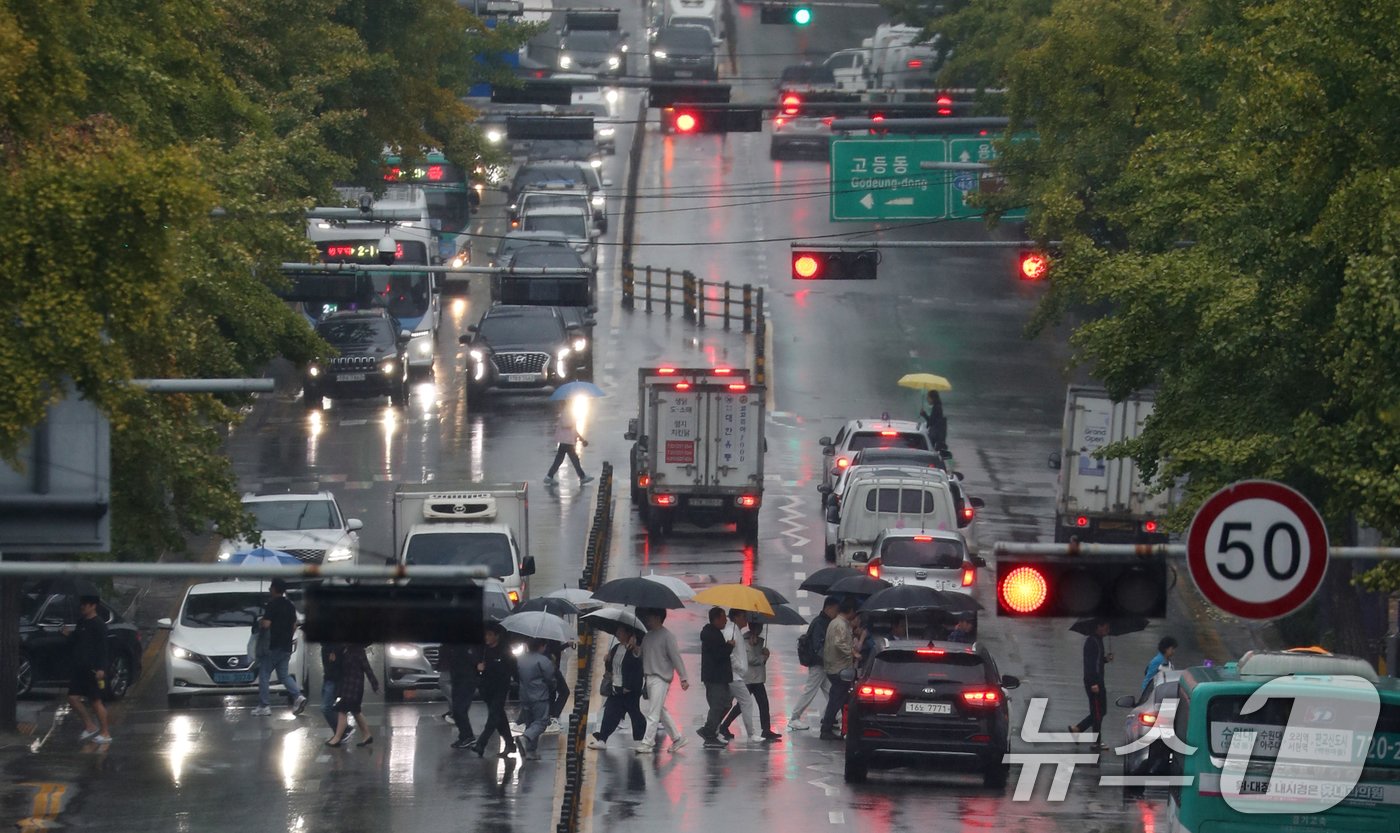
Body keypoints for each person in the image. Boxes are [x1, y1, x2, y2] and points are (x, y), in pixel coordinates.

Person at [636, 608, 689, 754]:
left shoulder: (667, 636)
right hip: (649, 678)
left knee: (653, 712)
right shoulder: (648, 636)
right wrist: (634, 647)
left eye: (650, 616)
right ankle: (677, 738)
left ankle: (647, 742)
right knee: (659, 711)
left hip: (661, 678)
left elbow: (676, 657)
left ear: (658, 617)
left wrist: (683, 677)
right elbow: (641, 655)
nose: (647, 620)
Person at [720, 620, 781, 742]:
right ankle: (724, 726)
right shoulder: (745, 640)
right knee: (742, 705)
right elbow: (750, 659)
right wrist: (764, 656)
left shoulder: (759, 640)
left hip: (757, 678)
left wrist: (763, 654)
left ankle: (766, 729)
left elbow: (759, 662)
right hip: (749, 678)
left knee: (763, 704)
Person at [254, 578, 307, 717]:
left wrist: (260, 621)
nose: (269, 590)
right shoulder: (290, 605)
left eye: (271, 587)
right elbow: (294, 625)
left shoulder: (272, 605)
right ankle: (298, 696)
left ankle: (264, 705)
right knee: (283, 675)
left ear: (275, 589)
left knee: (264, 674)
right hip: (286, 646)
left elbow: (266, 624)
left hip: (272, 646)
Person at [589, 625, 647, 749]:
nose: (617, 634)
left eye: (620, 632)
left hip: (630, 690)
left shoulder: (634, 650)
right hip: (616, 688)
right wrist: (607, 659)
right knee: (610, 712)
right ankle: (602, 739)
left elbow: (638, 669)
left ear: (628, 634)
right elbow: (611, 668)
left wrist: (629, 686)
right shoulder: (616, 648)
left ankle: (644, 738)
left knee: (635, 714)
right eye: (617, 632)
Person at [64, 595, 111, 744]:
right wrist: (68, 635)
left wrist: (101, 668)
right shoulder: (81, 622)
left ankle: (105, 732)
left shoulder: (99, 625)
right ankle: (90, 726)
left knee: (95, 701)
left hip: (93, 670)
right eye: (82, 604)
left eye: (85, 605)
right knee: (72, 698)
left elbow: (103, 648)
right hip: (79, 668)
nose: (82, 607)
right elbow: (77, 641)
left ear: (93, 606)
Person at [788, 596, 838, 731]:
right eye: (835, 610)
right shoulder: (820, 623)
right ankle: (794, 718)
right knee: (811, 690)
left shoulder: (824, 622)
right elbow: (818, 646)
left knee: (831, 690)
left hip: (823, 663)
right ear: (828, 608)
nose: (836, 613)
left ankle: (834, 716)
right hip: (818, 663)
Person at [471, 623, 519, 758]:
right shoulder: (481, 650)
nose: (487, 637)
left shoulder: (505, 651)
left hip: (500, 687)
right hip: (486, 688)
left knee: (493, 716)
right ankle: (510, 744)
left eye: (490, 635)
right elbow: (473, 665)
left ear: (497, 636)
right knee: (499, 717)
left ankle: (481, 743)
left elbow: (513, 669)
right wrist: (478, 667)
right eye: (485, 635)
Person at [717, 609, 762, 742]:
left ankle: (713, 729)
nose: (746, 619)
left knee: (726, 704)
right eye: (743, 616)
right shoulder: (730, 631)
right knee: (746, 701)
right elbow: (728, 653)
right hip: (733, 675)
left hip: (735, 675)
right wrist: (739, 667)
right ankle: (751, 734)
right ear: (736, 617)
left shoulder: (735, 630)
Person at [1070, 619, 1113, 751]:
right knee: (1098, 712)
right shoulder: (1091, 642)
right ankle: (1096, 742)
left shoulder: (1099, 641)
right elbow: (1090, 664)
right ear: (1098, 626)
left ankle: (1078, 729)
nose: (1107, 631)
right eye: (1105, 627)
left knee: (1101, 711)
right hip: (1093, 682)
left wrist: (1105, 659)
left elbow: (1097, 661)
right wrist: (1094, 683)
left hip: (1099, 681)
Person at [820, 598, 858, 741]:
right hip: (839, 668)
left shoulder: (837, 623)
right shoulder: (840, 625)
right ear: (850, 611)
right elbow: (839, 644)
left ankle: (845, 728)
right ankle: (827, 729)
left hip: (835, 666)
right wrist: (852, 652)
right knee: (836, 699)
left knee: (842, 699)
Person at [696, 607, 735, 749]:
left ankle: (710, 730)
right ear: (716, 619)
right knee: (717, 705)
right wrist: (729, 647)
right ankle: (709, 732)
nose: (726, 620)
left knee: (725, 703)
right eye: (723, 617)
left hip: (720, 677)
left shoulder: (714, 633)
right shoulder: (711, 634)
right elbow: (719, 655)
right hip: (715, 677)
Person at [326, 643, 377, 747]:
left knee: (342, 710)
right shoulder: (345, 650)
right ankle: (367, 735)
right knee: (356, 711)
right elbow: (339, 668)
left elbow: (367, 668)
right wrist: (333, 659)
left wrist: (374, 684)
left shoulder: (358, 650)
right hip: (347, 686)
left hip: (355, 687)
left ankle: (337, 738)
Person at [516, 639, 557, 760]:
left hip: (524, 695)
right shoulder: (543, 660)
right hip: (539, 695)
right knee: (541, 722)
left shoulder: (520, 659)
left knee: (530, 722)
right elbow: (550, 678)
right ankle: (525, 738)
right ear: (542, 646)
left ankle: (530, 751)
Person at [440, 640, 481, 748]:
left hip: (467, 679)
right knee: (457, 708)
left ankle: (467, 736)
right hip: (457, 677)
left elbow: (474, 658)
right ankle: (465, 736)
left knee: (459, 709)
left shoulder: (468, 645)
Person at [544, 402, 594, 485]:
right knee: (574, 459)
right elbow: (565, 424)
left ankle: (549, 476)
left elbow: (574, 430)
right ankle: (582, 477)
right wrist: (573, 421)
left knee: (560, 460)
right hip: (566, 441)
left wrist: (582, 439)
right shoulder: (566, 412)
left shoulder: (569, 412)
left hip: (566, 440)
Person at [318, 643, 351, 739]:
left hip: (334, 678)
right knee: (328, 707)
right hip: (329, 676)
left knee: (326, 707)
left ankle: (341, 732)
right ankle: (341, 731)